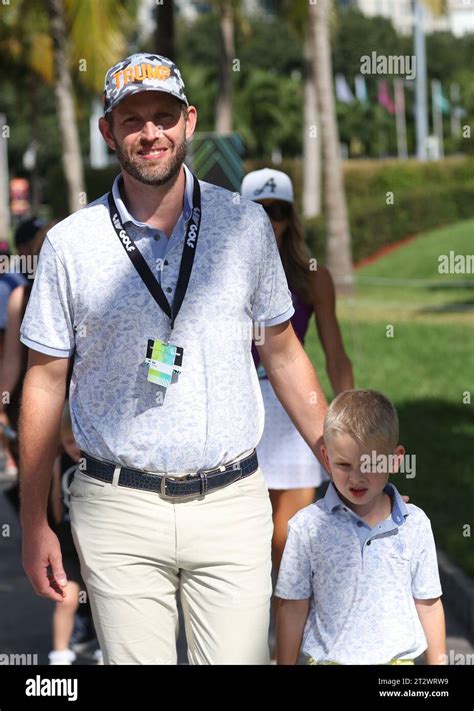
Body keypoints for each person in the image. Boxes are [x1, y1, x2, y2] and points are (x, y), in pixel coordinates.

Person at [19, 53, 328, 665]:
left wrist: (340, 462)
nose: (150, 132)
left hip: (231, 503)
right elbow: (44, 381)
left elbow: (285, 351)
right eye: (132, 119)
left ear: (189, 122)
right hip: (117, 509)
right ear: (108, 132)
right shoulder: (69, 244)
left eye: (164, 115)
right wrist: (35, 522)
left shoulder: (243, 227)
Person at [276, 389, 446, 665]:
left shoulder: (415, 525)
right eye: (344, 464)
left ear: (395, 459)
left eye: (370, 464)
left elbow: (428, 603)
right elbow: (292, 606)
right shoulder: (306, 527)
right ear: (327, 458)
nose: (357, 477)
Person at [241, 169, 353, 574]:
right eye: (260, 210)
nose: (270, 221)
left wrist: (350, 423)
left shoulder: (313, 278)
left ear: (291, 219)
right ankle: (260, 631)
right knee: (251, 540)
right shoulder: (223, 276)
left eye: (278, 211)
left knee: (287, 539)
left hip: (294, 406)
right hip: (241, 406)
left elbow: (336, 357)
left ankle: (285, 636)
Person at [48, 404, 102, 665]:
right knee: (67, 599)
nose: (74, 448)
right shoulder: (61, 462)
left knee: (104, 600)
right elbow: (57, 502)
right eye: (68, 442)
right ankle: (60, 654)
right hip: (69, 543)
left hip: (96, 542)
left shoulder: (98, 463)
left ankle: (106, 650)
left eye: (78, 442)